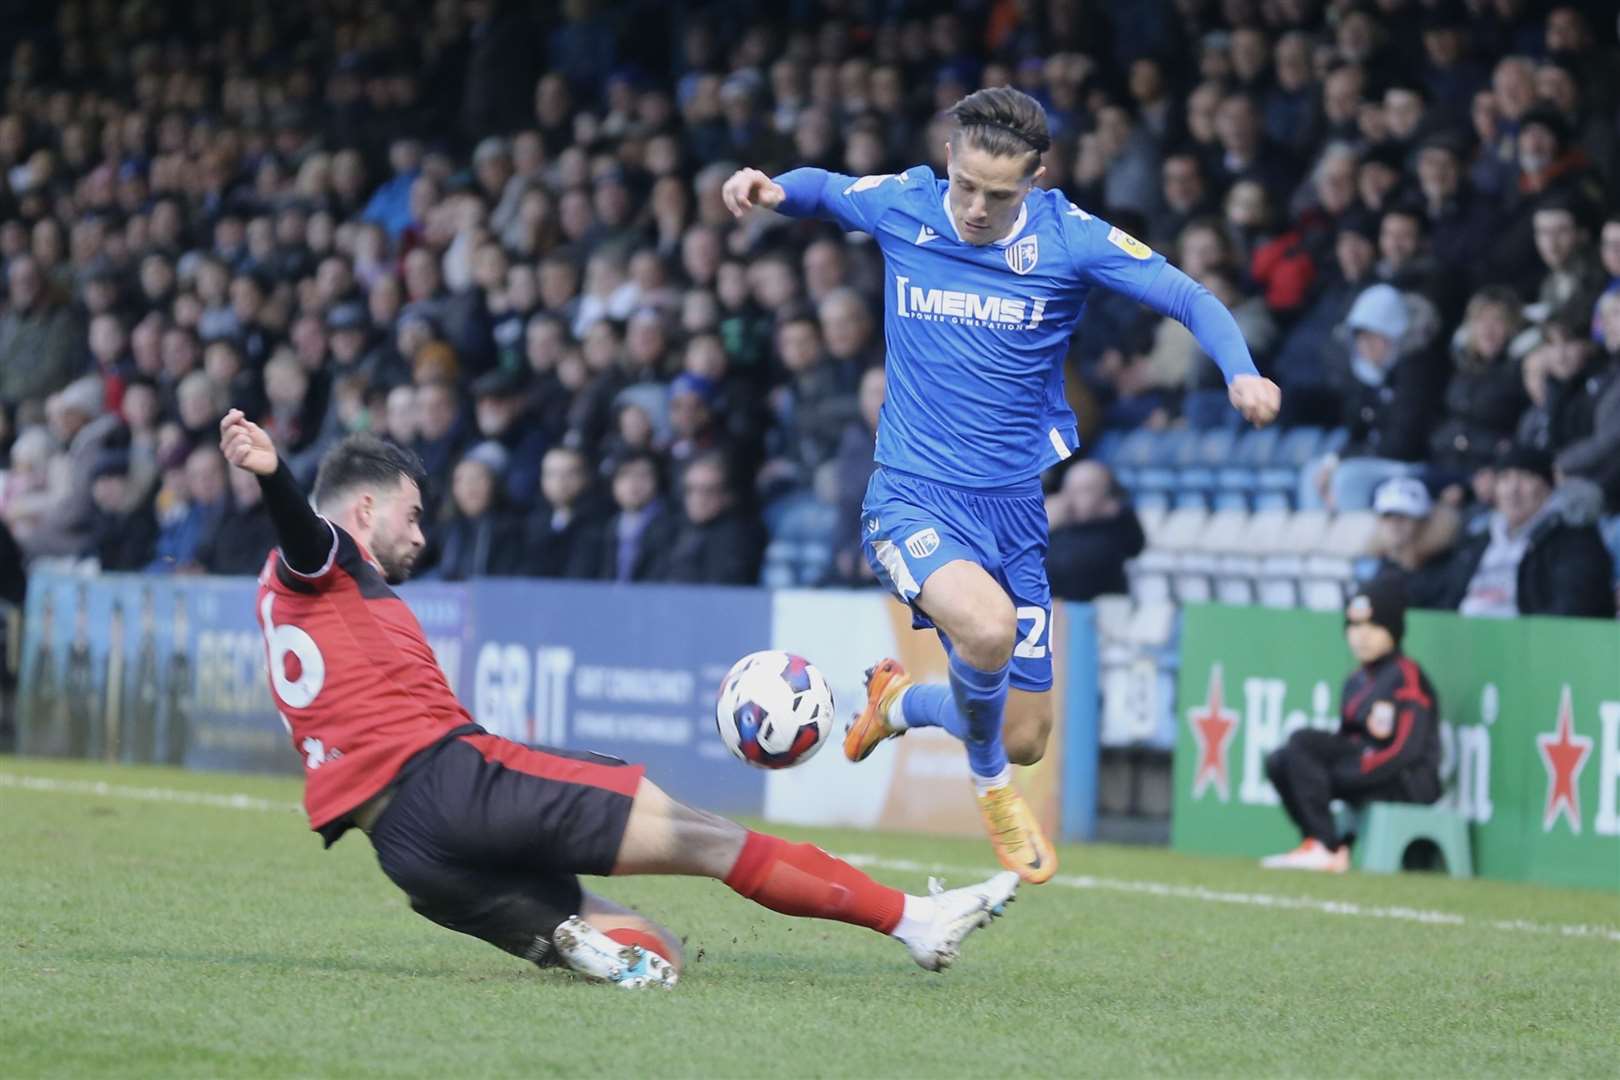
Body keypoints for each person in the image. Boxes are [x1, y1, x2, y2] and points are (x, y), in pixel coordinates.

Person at [217, 409, 1017, 989]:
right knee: (710, 839)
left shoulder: (286, 600)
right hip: (454, 783)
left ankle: (581, 943)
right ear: (364, 509)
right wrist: (273, 476)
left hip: (409, 857)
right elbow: (307, 537)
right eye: (411, 515)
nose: (420, 536)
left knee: (655, 950)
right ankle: (916, 921)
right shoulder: (323, 558)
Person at [722, 85, 1280, 882]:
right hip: (910, 497)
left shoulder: (1070, 238)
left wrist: (1242, 373)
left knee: (1024, 733)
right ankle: (991, 791)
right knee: (985, 636)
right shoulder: (907, 203)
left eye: (1001, 193)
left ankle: (899, 706)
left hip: (1014, 512)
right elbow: (824, 190)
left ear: (1038, 179)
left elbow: (1188, 297)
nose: (977, 208)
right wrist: (772, 187)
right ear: (948, 158)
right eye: (967, 186)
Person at [1261, 576, 1442, 872]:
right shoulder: (1355, 680)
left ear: (1393, 629)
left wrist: (1353, 772)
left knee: (1302, 742)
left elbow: (1407, 750)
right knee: (1280, 761)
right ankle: (1318, 842)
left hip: (1405, 781)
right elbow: (1347, 740)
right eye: (1355, 627)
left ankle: (1328, 846)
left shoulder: (1407, 675)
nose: (1362, 636)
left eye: (1372, 626)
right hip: (1367, 773)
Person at [1430, 446, 1616, 619]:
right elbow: (1447, 602)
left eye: (1525, 477)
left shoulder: (1575, 540)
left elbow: (1573, 609)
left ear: (1548, 486)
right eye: (1505, 478)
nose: (1513, 490)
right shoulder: (1477, 542)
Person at [1044, 461, 1145, 601]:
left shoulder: (1115, 530)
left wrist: (1042, 529)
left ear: (1108, 498)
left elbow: (1064, 571)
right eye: (1067, 490)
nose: (1069, 499)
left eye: (1082, 491)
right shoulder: (1061, 527)